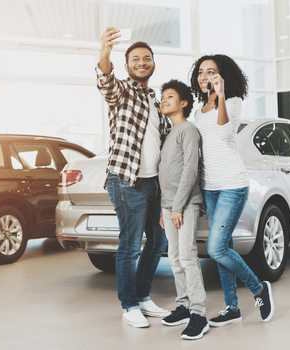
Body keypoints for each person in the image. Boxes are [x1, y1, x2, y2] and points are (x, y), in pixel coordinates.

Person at [190, 54, 274, 327]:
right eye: (201, 72)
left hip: (232, 184)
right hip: (210, 186)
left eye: (210, 71)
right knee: (223, 247)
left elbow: (225, 133)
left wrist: (222, 96)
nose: (205, 76)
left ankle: (259, 289)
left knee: (215, 248)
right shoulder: (198, 109)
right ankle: (232, 308)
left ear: (222, 75)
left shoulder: (233, 101)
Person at [96, 27, 171, 328]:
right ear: (127, 66)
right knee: (130, 245)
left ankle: (142, 298)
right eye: (136, 59)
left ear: (154, 63)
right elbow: (106, 83)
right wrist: (104, 54)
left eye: (147, 58)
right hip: (127, 180)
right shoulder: (123, 91)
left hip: (153, 182)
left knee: (158, 240)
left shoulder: (156, 100)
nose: (142, 62)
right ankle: (128, 305)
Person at [158, 79, 208, 340]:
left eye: (169, 97)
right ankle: (184, 306)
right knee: (175, 258)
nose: (163, 101)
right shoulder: (169, 133)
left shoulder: (189, 130)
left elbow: (190, 170)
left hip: (185, 205)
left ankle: (199, 314)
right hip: (170, 207)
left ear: (184, 102)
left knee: (188, 257)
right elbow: (166, 173)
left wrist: (177, 206)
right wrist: (164, 209)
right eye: (162, 97)